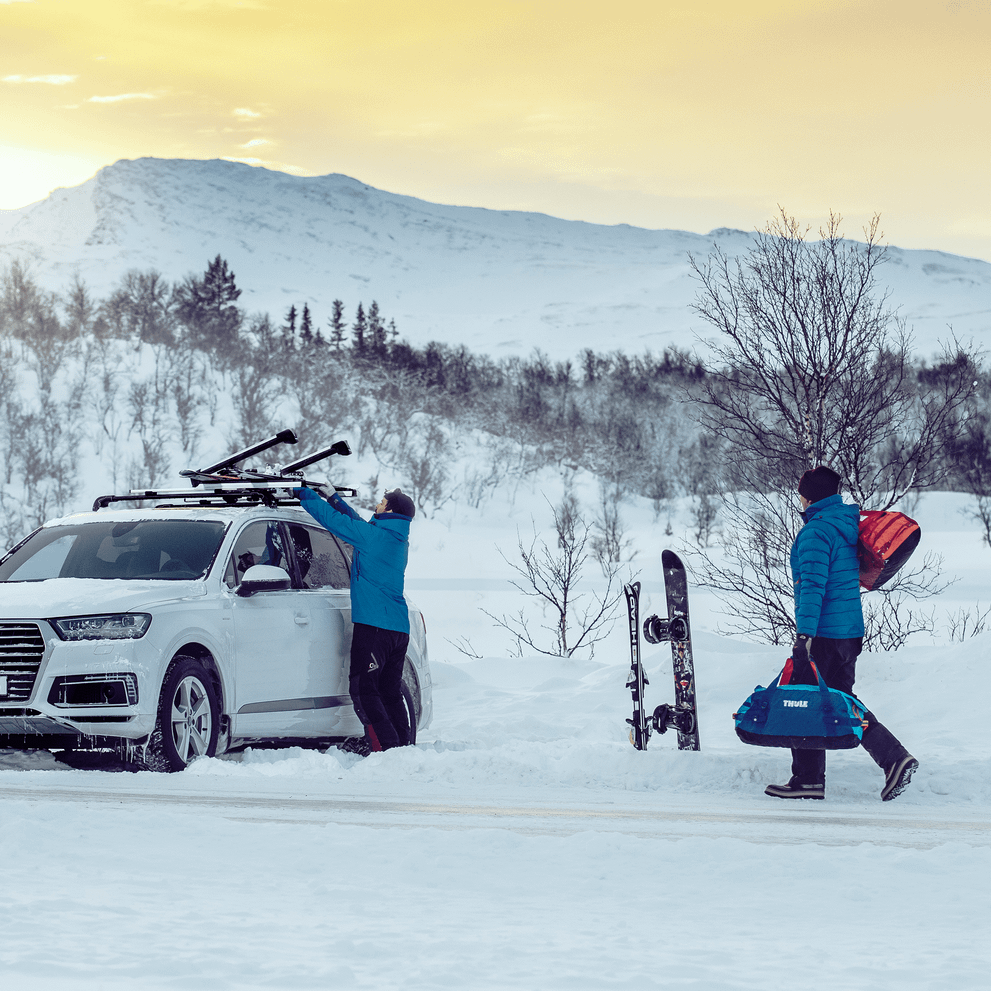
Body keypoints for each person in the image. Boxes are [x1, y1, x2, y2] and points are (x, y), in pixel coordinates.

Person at [764, 465, 919, 801]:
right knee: (842, 703)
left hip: (823, 634)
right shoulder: (846, 525)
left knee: (801, 701)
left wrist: (804, 637)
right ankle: (893, 759)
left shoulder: (816, 533)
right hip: (848, 632)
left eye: (802, 493)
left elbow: (813, 587)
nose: (800, 499)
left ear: (810, 496)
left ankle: (807, 780)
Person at [294, 483, 416, 751]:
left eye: (383, 502)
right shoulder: (392, 537)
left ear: (391, 510)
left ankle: (384, 747)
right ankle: (403, 748)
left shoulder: (375, 538)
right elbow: (355, 523)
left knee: (363, 689)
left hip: (375, 627)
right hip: (397, 629)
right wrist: (333, 497)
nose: (378, 504)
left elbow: (334, 522)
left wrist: (302, 493)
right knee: (389, 691)